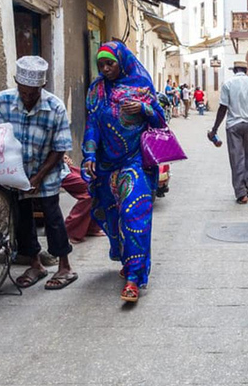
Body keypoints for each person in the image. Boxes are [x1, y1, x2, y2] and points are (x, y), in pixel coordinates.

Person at [82, 40, 164, 303]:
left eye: (110, 63)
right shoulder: (96, 90)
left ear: (122, 61)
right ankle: (128, 259)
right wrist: (90, 155)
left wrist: (144, 108)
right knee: (115, 215)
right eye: (101, 64)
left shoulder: (141, 86)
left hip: (136, 160)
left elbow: (160, 120)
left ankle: (134, 279)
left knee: (133, 213)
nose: (105, 69)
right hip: (107, 164)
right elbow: (92, 123)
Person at [0, 56, 77, 290]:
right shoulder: (2, 101)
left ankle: (65, 266)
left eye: (34, 93)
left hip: (46, 169)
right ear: (17, 83)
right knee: (21, 217)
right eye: (24, 92)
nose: (28, 98)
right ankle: (35, 264)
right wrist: (8, 173)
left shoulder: (55, 107)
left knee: (52, 216)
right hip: (15, 170)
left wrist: (38, 178)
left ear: (42, 87)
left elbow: (60, 148)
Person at [208, 61, 248, 204]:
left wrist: (214, 129)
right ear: (246, 70)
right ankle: (246, 185)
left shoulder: (228, 84)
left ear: (234, 70)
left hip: (234, 125)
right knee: (247, 153)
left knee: (236, 157)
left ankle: (241, 193)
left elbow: (222, 108)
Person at [61, 154, 105, 243]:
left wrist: (64, 157)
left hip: (65, 168)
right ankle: (70, 230)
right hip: (55, 171)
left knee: (100, 182)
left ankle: (90, 227)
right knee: (90, 191)